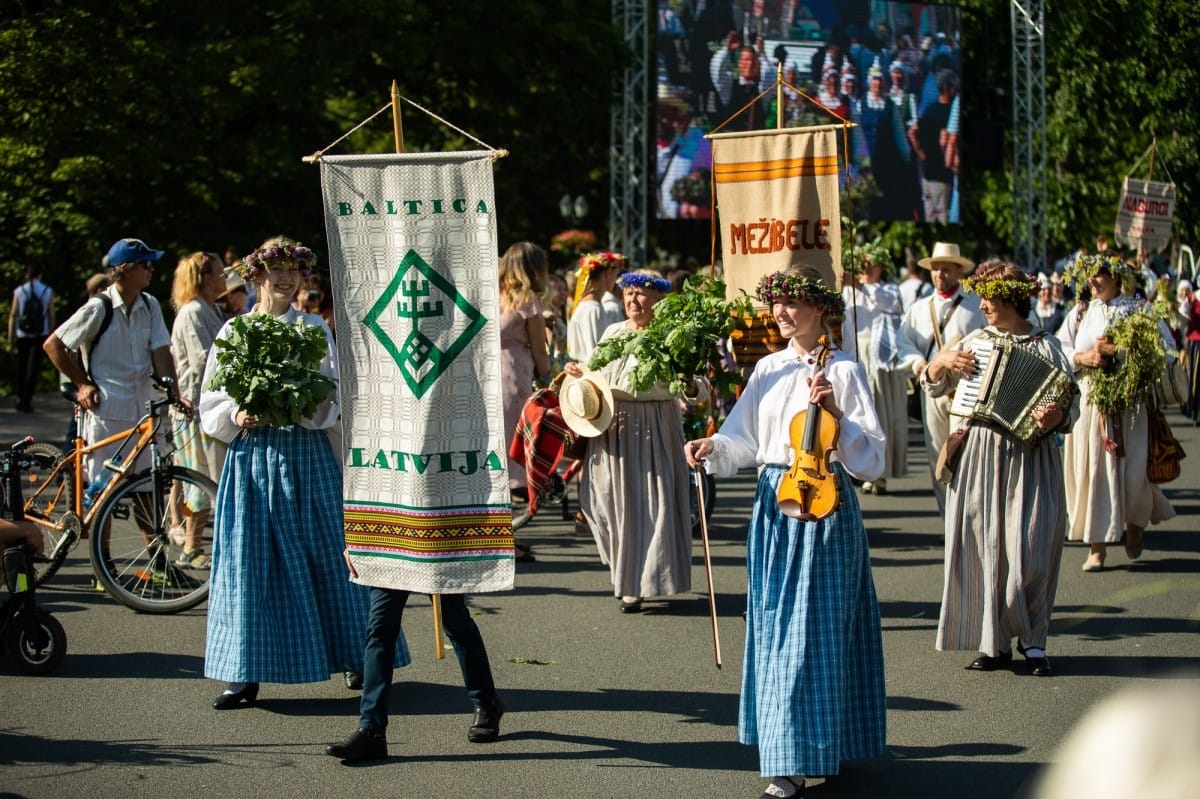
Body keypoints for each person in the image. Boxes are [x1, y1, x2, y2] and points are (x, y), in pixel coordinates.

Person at [684, 266, 886, 799]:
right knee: (777, 631)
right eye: (776, 303)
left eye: (793, 303)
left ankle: (798, 757)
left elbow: (873, 459)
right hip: (774, 508)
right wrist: (713, 448)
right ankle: (791, 748)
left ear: (820, 311)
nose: (780, 312)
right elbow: (744, 440)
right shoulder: (768, 367)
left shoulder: (844, 370)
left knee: (813, 633)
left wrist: (837, 415)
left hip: (825, 512)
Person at [198, 236, 407, 709]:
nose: (287, 279)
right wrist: (238, 413)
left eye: (294, 272)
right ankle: (243, 671)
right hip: (253, 460)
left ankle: (359, 657)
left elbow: (333, 392)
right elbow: (210, 400)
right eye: (277, 272)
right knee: (250, 562)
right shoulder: (234, 332)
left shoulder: (313, 327)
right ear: (256, 277)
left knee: (329, 556)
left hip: (306, 454)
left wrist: (306, 410)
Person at [922, 262, 1077, 677]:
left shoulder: (1047, 346)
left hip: (1032, 455)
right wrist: (942, 363)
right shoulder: (974, 340)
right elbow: (931, 382)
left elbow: (1070, 403)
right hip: (980, 451)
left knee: (1032, 546)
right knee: (985, 544)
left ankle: (1034, 641)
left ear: (1012, 299)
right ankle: (995, 644)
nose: (983, 303)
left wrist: (1057, 414)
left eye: (990, 296)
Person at [564, 269, 691, 613]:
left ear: (660, 299)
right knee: (606, 501)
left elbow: (695, 387)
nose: (633, 300)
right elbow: (595, 370)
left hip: (655, 426)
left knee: (653, 504)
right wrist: (580, 372)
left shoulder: (671, 336)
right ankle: (626, 574)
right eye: (629, 293)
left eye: (642, 294)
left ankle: (638, 583)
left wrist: (691, 385)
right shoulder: (613, 332)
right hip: (613, 427)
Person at [1055, 254, 1176, 571]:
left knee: (1133, 469)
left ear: (1116, 277)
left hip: (1130, 404)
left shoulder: (1137, 308)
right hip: (1091, 403)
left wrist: (1122, 351)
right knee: (1092, 470)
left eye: (1100, 276)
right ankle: (1097, 546)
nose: (1093, 282)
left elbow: (1166, 347)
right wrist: (1084, 358)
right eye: (1090, 276)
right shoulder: (1080, 312)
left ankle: (1135, 525)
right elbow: (1059, 348)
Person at [44, 237, 186, 503]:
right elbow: (53, 345)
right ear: (125, 269)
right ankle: (103, 546)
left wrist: (174, 392)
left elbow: (161, 351)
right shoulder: (99, 307)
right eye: (146, 265)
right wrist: (83, 384)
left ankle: (154, 545)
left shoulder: (150, 304)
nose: (151, 271)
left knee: (148, 488)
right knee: (102, 491)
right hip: (108, 411)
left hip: (144, 409)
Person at [897, 242, 985, 514]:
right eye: (935, 270)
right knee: (938, 454)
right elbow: (903, 343)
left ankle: (969, 514)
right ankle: (948, 517)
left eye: (945, 269)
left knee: (966, 453)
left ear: (958, 272)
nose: (939, 275)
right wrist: (919, 363)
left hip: (967, 387)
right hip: (932, 386)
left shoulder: (975, 306)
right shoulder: (920, 308)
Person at [167, 252, 228, 568]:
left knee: (208, 478)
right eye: (220, 272)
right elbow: (206, 360)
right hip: (195, 411)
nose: (225, 277)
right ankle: (191, 545)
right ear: (205, 278)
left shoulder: (212, 309)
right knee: (201, 479)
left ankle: (196, 543)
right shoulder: (193, 312)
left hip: (206, 407)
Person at [498, 241, 552, 559]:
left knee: (495, 462)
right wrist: (549, 379)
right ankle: (506, 539)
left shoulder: (491, 295)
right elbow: (540, 350)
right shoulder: (528, 300)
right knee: (511, 459)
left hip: (489, 379)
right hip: (514, 380)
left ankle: (495, 534)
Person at [841, 244, 907, 494]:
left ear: (882, 267)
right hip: (853, 357)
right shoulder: (846, 292)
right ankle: (854, 468)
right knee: (852, 415)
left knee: (878, 415)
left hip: (878, 360)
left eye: (872, 263)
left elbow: (889, 304)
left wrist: (858, 286)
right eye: (862, 263)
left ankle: (878, 474)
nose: (866, 268)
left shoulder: (888, 289)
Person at [908, 68, 958, 223]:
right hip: (943, 176)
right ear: (947, 88)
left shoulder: (929, 110)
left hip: (926, 175)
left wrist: (921, 154)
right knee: (943, 217)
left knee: (929, 216)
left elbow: (912, 133)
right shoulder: (952, 112)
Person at [9, 263, 55, 413]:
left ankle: (19, 397)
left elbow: (14, 314)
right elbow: (50, 314)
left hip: (23, 334)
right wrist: (51, 334)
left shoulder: (20, 291)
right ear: (40, 274)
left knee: (21, 367)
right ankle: (27, 400)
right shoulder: (47, 291)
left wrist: (11, 335)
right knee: (32, 369)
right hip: (39, 334)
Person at [567, 251, 625, 364]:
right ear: (607, 274)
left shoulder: (592, 306)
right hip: (589, 375)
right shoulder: (592, 309)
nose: (616, 279)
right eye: (615, 274)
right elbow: (595, 354)